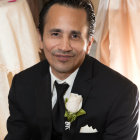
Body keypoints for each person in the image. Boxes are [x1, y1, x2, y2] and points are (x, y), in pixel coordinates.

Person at [5, 0, 139, 140]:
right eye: (55, 34)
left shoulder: (122, 94)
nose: (64, 47)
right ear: (40, 38)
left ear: (89, 44)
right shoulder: (22, 84)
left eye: (75, 36)